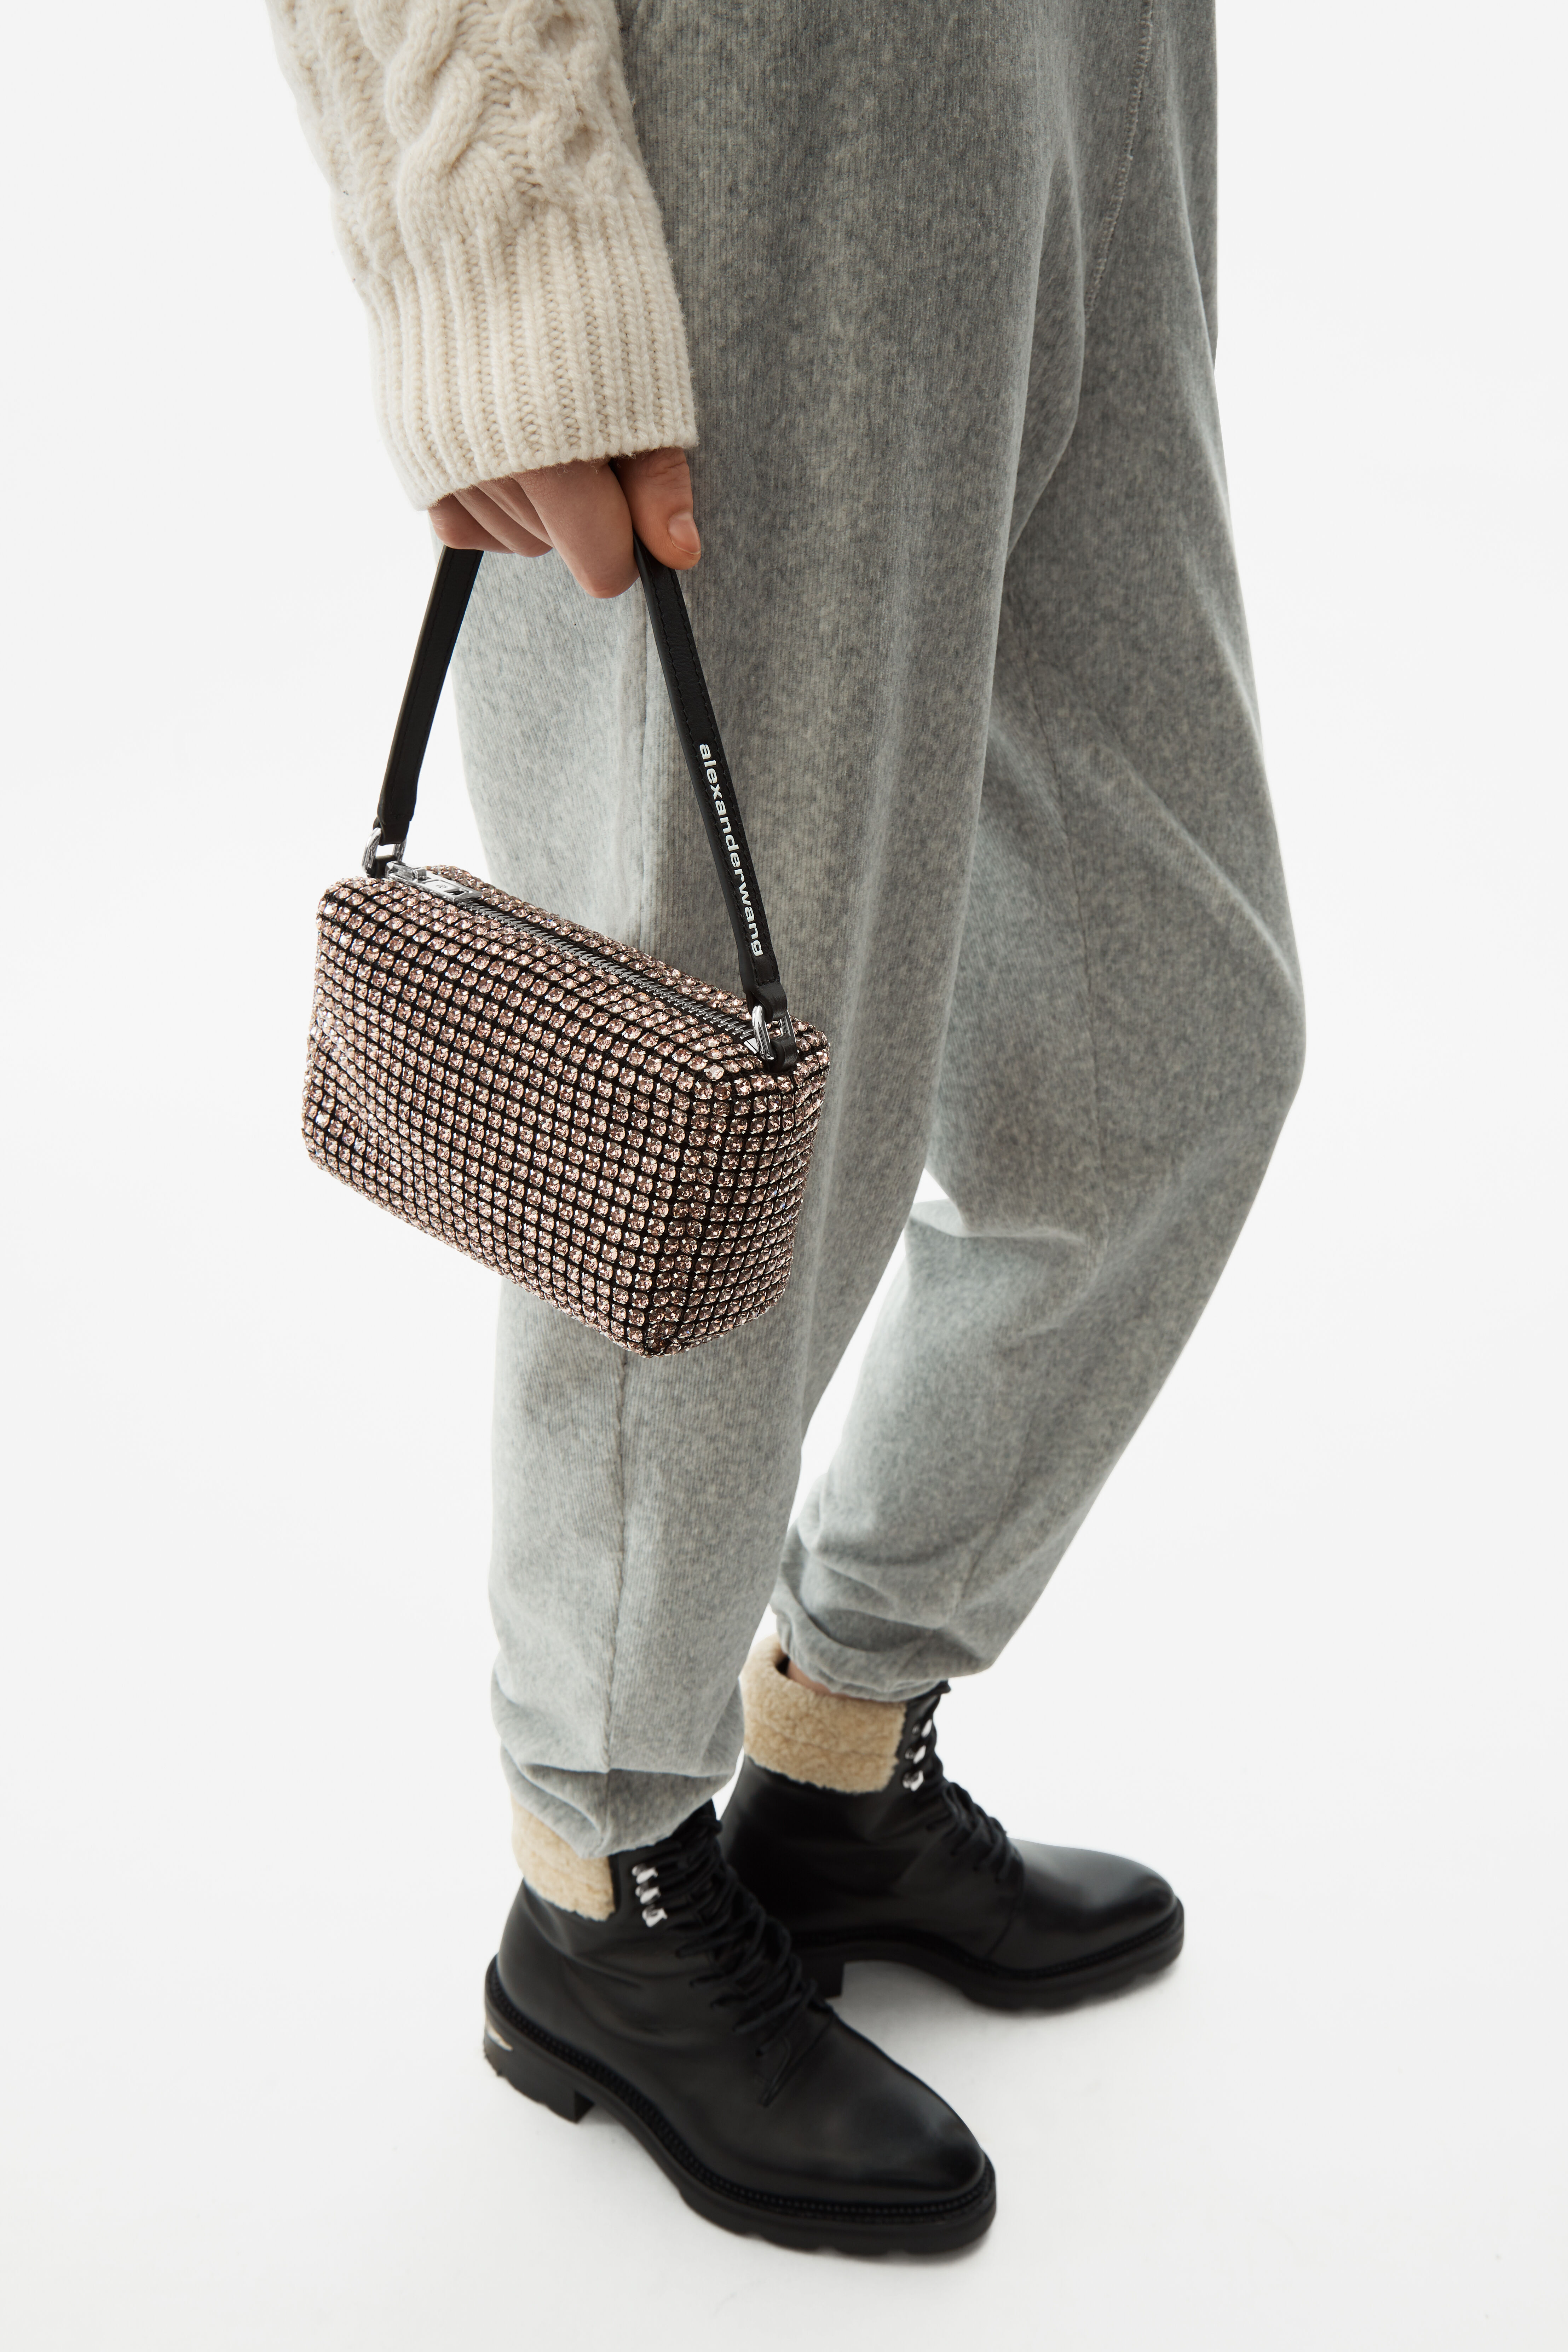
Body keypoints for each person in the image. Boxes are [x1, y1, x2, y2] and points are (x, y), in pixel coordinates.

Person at [269, 0, 1304, 2254]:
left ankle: (837, 1743)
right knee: (697, 1116)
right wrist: (496, 232)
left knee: (1177, 1033)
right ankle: (602, 1868)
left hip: (1092, 78)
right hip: (741, 104)